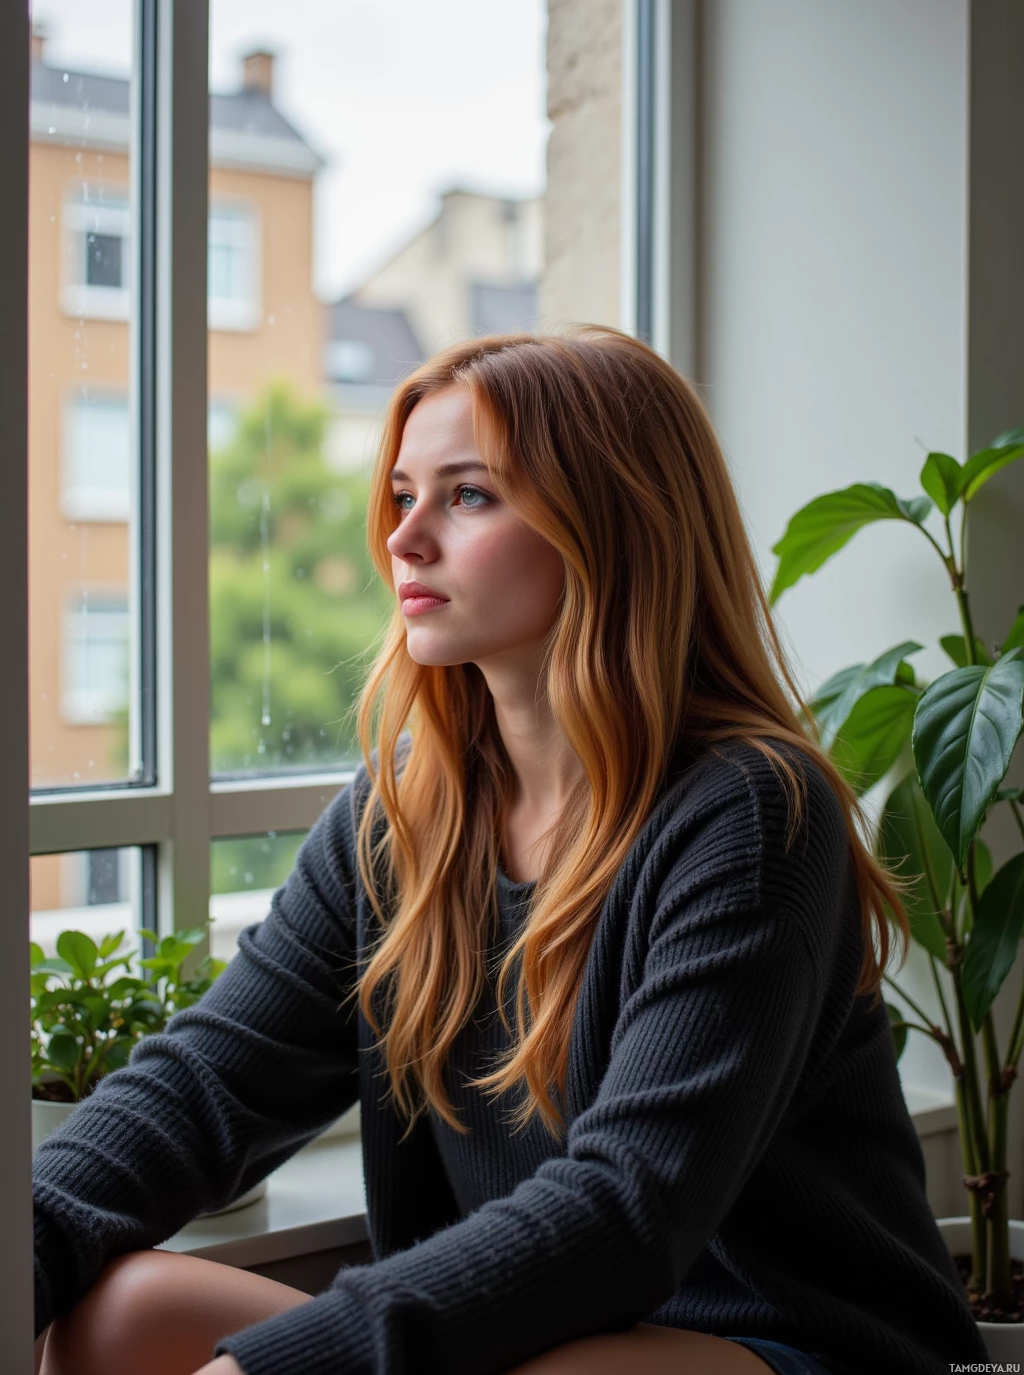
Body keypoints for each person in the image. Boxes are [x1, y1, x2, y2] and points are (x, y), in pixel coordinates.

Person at [32, 328, 988, 1375]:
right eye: (403, 494)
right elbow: (206, 1086)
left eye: (469, 495)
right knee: (114, 1312)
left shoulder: (752, 816)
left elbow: (624, 1209)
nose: (404, 538)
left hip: (785, 1341)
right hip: (556, 1333)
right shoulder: (403, 814)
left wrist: (267, 1371)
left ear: (612, 525)